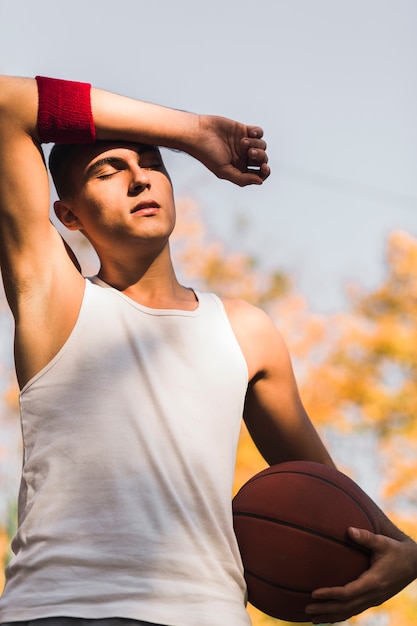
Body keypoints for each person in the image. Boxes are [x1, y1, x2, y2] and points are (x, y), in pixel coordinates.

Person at [0, 74, 415, 626]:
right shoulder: (58, 301)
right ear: (68, 215)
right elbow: (7, 103)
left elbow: (326, 494)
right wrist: (190, 132)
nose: (139, 179)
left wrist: (405, 554)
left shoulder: (245, 330)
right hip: (60, 608)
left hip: (207, 614)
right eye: (109, 170)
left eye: (152, 163)